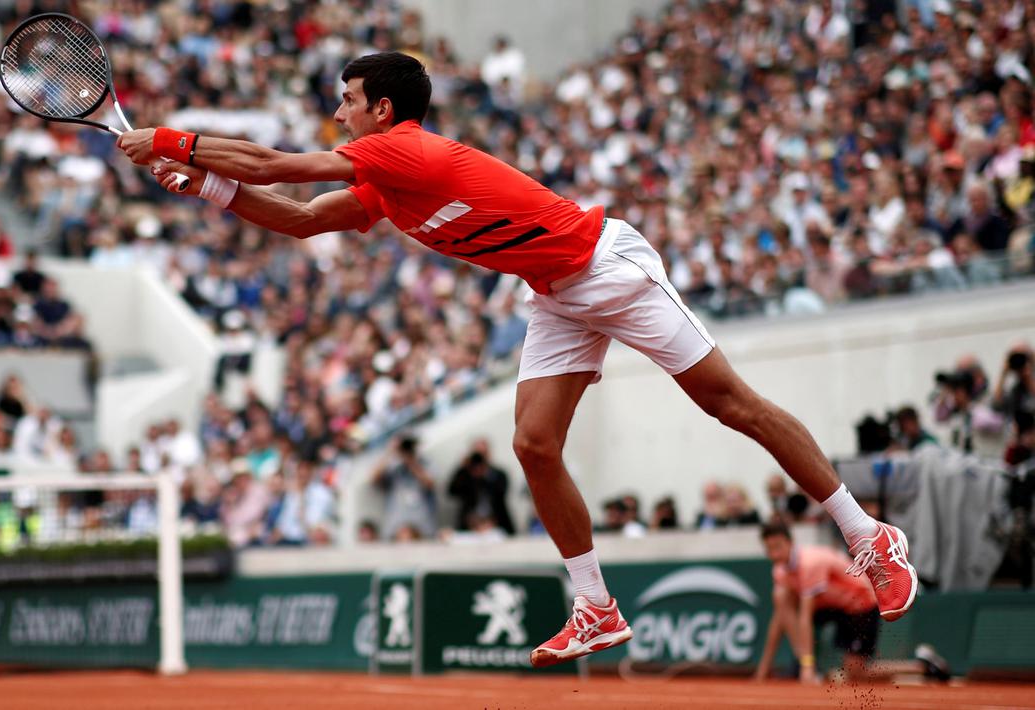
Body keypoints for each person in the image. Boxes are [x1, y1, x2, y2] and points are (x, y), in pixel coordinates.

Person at [118, 51, 916, 667]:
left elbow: (276, 167)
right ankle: (595, 604)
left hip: (607, 268)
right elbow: (297, 220)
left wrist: (172, 138)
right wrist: (204, 187)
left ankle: (865, 533)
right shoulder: (381, 181)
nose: (336, 110)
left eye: (345, 99)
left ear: (383, 109)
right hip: (555, 292)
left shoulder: (400, 150)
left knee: (728, 405)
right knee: (533, 445)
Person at [754, 521, 949, 684]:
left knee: (856, 673)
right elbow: (779, 619)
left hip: (861, 606)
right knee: (781, 597)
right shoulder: (780, 570)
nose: (774, 555)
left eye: (778, 547)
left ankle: (922, 667)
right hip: (833, 607)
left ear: (790, 543)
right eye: (769, 549)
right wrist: (763, 669)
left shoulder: (810, 563)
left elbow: (805, 616)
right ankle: (805, 663)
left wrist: (807, 665)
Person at [447, 438, 515, 535]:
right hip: (469, 528)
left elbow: (501, 493)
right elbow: (451, 491)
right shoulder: (465, 475)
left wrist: (486, 473)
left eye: (483, 454)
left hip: (497, 526)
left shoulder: (499, 474)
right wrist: (462, 468)